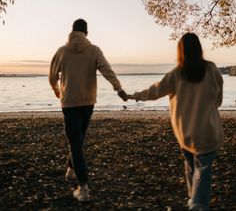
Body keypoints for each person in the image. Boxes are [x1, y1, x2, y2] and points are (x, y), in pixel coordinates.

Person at [128, 33, 224, 211]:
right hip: (208, 130)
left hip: (185, 132)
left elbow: (154, 91)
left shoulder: (176, 74)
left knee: (190, 166)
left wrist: (134, 96)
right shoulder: (211, 69)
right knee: (203, 170)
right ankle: (197, 204)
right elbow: (218, 98)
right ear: (199, 49)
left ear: (181, 51)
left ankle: (192, 199)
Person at [49, 18, 127, 202]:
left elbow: (52, 75)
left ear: (72, 31)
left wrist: (57, 90)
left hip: (69, 103)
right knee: (78, 140)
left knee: (76, 142)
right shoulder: (94, 50)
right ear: (86, 33)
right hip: (87, 102)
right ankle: (76, 177)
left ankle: (78, 180)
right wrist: (118, 88)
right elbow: (107, 70)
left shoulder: (61, 51)